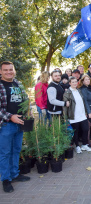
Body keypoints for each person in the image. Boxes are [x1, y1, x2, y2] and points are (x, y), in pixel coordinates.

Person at [0, 61, 30, 193]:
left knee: (17, 149)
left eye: (10, 69)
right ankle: (6, 179)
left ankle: (14, 173)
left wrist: (27, 110)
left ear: (14, 70)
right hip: (7, 124)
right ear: (1, 71)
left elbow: (24, 99)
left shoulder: (18, 83)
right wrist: (10, 116)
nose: (8, 72)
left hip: (20, 123)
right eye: (5, 70)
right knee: (5, 153)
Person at [63, 77, 91, 154]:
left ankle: (84, 144)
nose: (75, 83)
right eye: (73, 82)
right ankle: (77, 146)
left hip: (82, 114)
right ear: (69, 83)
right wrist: (65, 117)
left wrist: (85, 112)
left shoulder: (79, 90)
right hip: (73, 116)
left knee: (86, 129)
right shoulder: (67, 93)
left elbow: (83, 103)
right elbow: (65, 106)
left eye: (76, 82)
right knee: (76, 132)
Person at [78, 75, 91, 147]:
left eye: (89, 79)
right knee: (88, 127)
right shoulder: (83, 89)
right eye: (86, 80)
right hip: (88, 110)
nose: (88, 81)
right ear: (82, 81)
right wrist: (89, 112)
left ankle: (89, 139)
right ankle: (87, 141)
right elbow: (85, 101)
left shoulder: (90, 88)